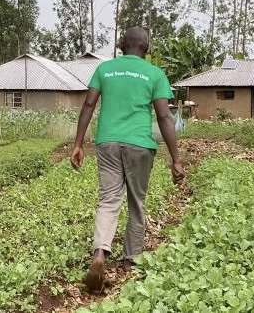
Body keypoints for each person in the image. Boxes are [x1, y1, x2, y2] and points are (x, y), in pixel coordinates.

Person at [70, 27, 184, 292]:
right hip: (139, 145)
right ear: (147, 48)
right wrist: (176, 159)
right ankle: (130, 259)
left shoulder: (105, 70)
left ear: (122, 46)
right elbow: (165, 117)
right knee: (136, 201)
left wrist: (77, 144)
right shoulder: (155, 74)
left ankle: (100, 253)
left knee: (109, 200)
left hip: (107, 142)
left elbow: (88, 105)